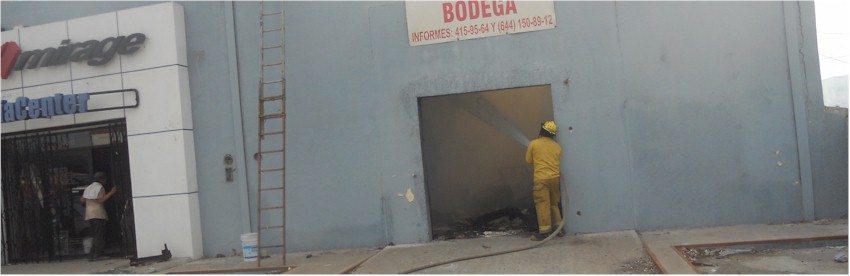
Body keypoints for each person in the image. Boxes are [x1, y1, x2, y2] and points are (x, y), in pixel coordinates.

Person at [525, 121, 564, 241]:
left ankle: (544, 232)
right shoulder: (557, 146)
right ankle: (559, 229)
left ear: (541, 131)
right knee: (554, 203)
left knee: (542, 204)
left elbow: (528, 160)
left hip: (541, 179)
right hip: (555, 179)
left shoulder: (534, 143)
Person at [80, 172, 118, 261]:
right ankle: (98, 254)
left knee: (95, 234)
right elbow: (101, 200)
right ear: (101, 179)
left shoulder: (88, 187)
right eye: (104, 179)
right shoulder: (100, 187)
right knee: (99, 235)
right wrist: (111, 192)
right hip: (98, 213)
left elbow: (82, 200)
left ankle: (91, 255)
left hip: (89, 214)